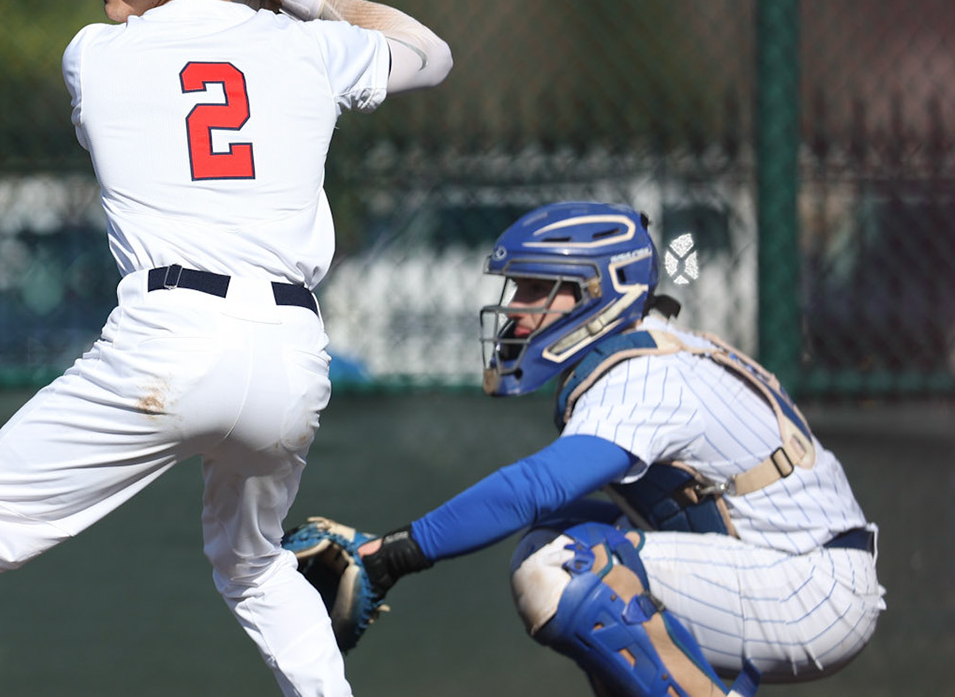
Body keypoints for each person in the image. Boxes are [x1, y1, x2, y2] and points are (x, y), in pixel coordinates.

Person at [0, 0, 453, 697]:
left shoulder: (94, 56)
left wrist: (267, 7)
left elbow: (194, 62)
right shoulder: (312, 49)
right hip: (291, 356)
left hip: (170, 344)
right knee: (253, 563)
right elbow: (430, 55)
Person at [289, 200, 884, 697]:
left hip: (810, 585)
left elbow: (534, 486)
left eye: (539, 288)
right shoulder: (647, 351)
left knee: (563, 567)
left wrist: (393, 554)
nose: (518, 309)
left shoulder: (640, 374)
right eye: (519, 287)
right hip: (782, 566)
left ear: (603, 293)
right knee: (558, 541)